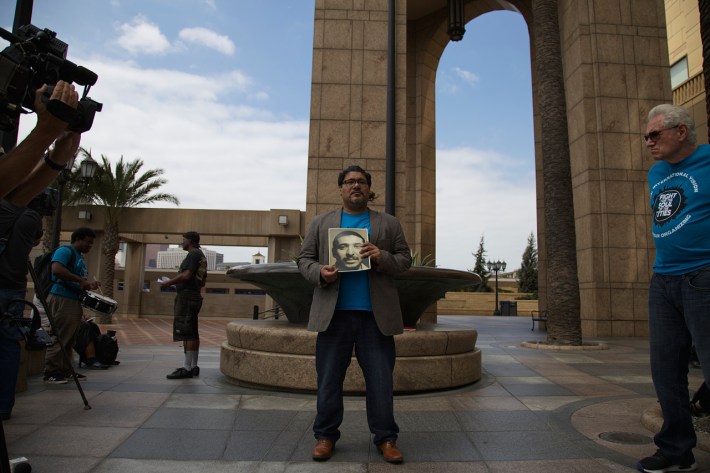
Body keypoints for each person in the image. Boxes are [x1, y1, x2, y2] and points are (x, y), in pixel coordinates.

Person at [297, 164, 411, 463]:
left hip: (375, 318)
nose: (355, 186)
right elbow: (304, 260)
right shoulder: (322, 223)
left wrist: (381, 256)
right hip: (333, 317)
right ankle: (325, 436)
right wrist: (321, 272)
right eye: (349, 182)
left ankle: (386, 439)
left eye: (361, 181)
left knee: (380, 383)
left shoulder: (389, 224)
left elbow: (404, 261)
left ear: (368, 188)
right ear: (341, 188)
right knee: (329, 381)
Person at [0, 81, 82, 417]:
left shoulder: (22, 210)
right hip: (13, 286)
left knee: (7, 344)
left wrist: (57, 157)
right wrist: (45, 132)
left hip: (9, 285)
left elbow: (12, 196)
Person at [638, 103, 710, 473]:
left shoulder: (708, 161)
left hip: (703, 277)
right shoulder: (657, 173)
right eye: (646, 136)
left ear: (681, 131)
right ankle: (676, 450)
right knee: (666, 370)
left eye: (655, 135)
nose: (648, 142)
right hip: (663, 279)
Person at [43, 227, 100, 384]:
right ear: (78, 239)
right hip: (62, 298)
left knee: (70, 339)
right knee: (60, 336)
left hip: (73, 299)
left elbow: (78, 280)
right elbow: (57, 269)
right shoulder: (65, 251)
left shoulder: (79, 257)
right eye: (87, 242)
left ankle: (66, 369)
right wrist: (80, 280)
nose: (90, 246)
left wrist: (88, 284)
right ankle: (52, 372)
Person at [161, 231, 207, 379]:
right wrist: (179, 286)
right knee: (193, 330)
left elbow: (186, 275)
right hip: (193, 295)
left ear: (191, 241)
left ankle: (186, 368)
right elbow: (201, 281)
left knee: (186, 331)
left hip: (187, 297)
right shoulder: (202, 256)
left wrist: (169, 282)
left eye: (184, 240)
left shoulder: (193, 255)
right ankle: (193, 366)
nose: (182, 242)